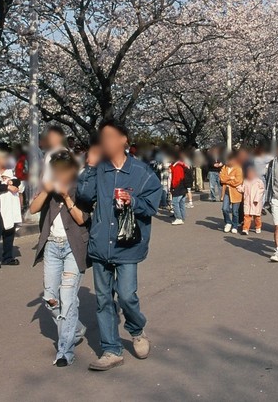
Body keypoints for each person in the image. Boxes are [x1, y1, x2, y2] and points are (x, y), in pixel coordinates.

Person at [77, 120, 160, 372]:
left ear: (124, 140)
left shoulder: (142, 172)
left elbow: (152, 206)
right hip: (101, 243)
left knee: (126, 295)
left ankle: (136, 330)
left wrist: (132, 200)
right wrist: (89, 168)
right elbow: (83, 197)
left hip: (127, 245)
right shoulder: (98, 170)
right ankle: (111, 349)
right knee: (103, 300)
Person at [29, 150, 90, 367]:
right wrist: (46, 191)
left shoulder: (81, 186)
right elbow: (33, 208)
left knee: (68, 299)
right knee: (50, 300)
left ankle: (65, 351)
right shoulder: (48, 188)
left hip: (74, 249)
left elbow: (82, 219)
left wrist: (66, 196)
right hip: (52, 248)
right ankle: (75, 328)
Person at [0, 149, 23, 268]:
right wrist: (8, 187)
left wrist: (12, 181)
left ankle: (8, 257)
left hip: (10, 206)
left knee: (9, 232)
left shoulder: (9, 170)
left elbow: (18, 180)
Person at [219, 151, 244, 234]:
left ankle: (235, 225)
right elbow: (222, 178)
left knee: (235, 211)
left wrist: (228, 180)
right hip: (226, 191)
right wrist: (231, 178)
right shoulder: (224, 167)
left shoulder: (238, 168)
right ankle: (228, 223)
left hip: (236, 192)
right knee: (224, 208)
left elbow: (238, 181)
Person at [240, 164, 265, 235]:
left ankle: (258, 227)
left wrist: (256, 199)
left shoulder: (258, 181)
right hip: (247, 201)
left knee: (257, 217)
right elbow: (243, 189)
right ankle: (245, 229)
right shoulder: (245, 181)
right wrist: (239, 188)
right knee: (247, 216)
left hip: (255, 202)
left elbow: (261, 190)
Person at [169, 154, 189, 225]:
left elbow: (176, 179)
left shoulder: (177, 167)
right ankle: (182, 216)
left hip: (178, 187)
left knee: (175, 202)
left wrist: (173, 187)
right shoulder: (181, 165)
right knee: (181, 203)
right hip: (183, 186)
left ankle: (178, 218)